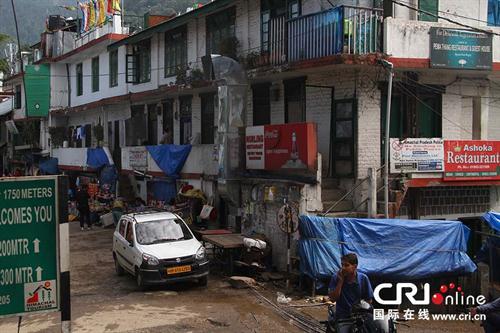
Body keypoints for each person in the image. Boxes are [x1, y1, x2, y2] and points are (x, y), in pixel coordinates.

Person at [328, 253, 374, 333]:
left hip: (358, 316)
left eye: (346, 265)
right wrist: (340, 282)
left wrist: (361, 309)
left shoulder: (363, 279)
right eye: (342, 265)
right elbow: (332, 299)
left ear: (355, 266)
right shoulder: (336, 278)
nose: (343, 268)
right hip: (342, 316)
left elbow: (369, 300)